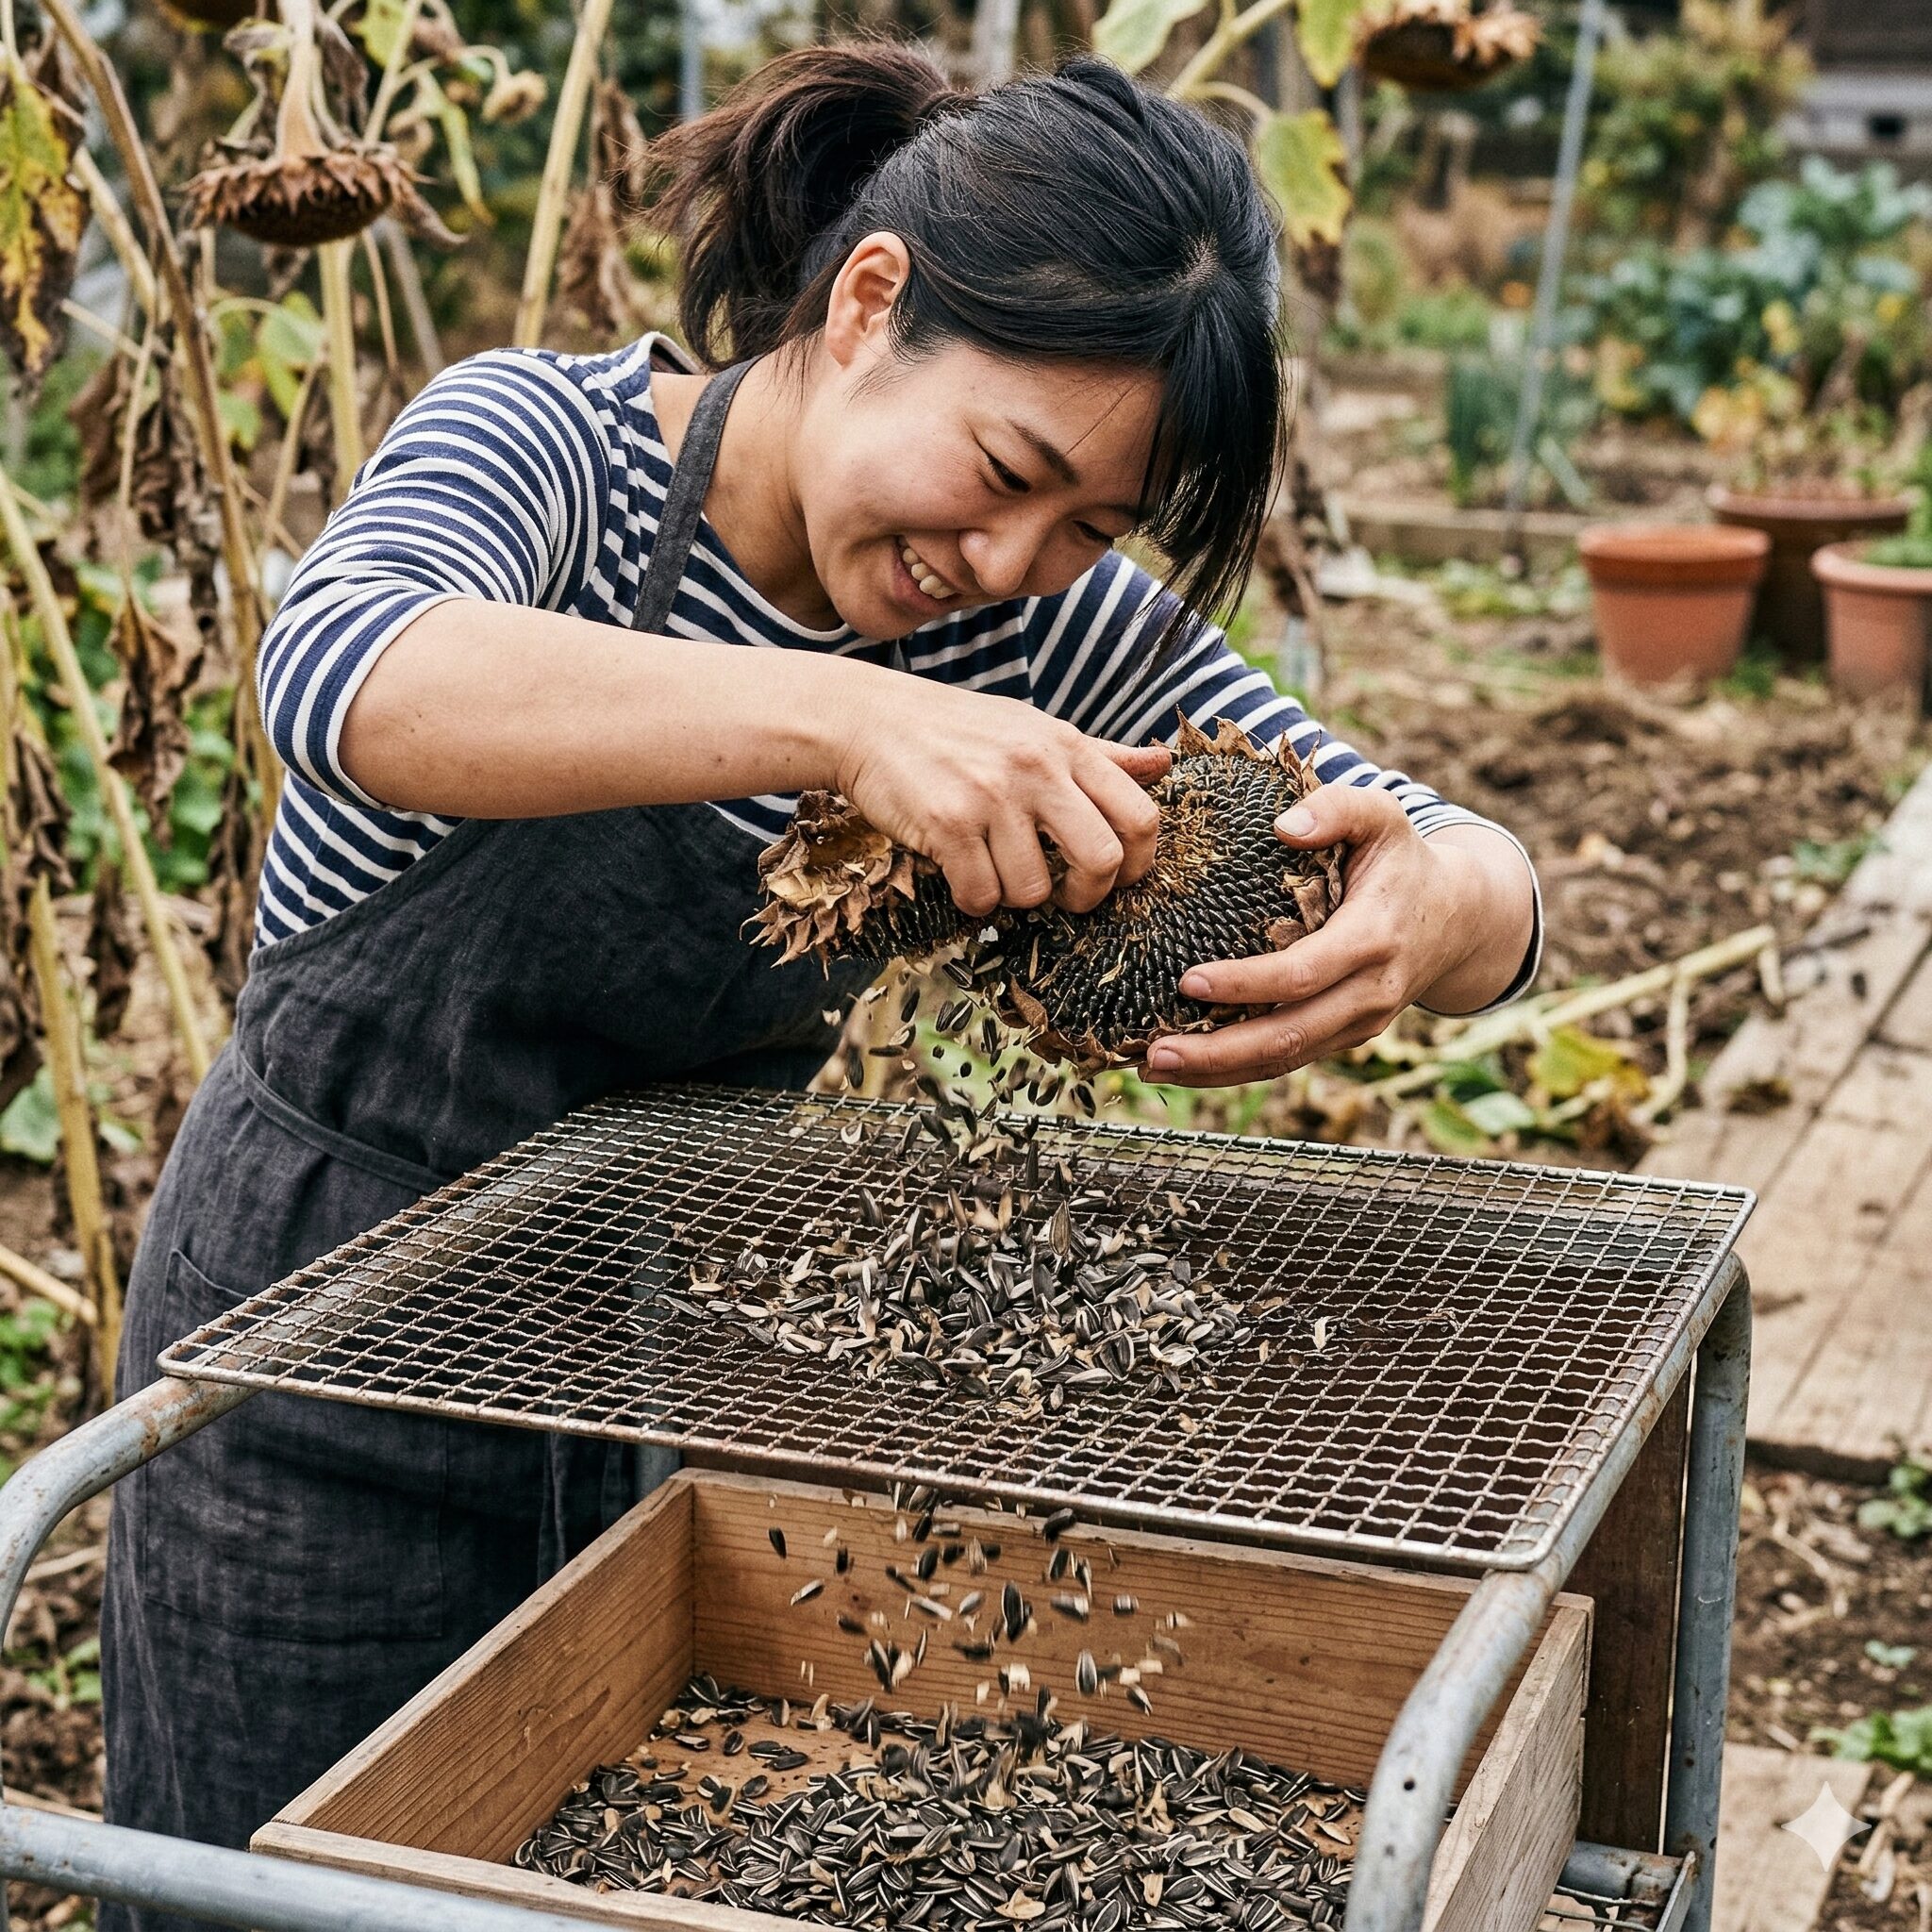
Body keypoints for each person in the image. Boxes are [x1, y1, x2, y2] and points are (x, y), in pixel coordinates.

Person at [99, 42, 1540, 1924]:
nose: (1008, 563)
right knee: (256, 1893)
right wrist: (857, 719)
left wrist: (1426, 908)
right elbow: (348, 669)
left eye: (1088, 530)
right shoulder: (548, 448)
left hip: (639, 1372)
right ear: (868, 305)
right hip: (309, 1363)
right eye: (1006, 472)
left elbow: (1477, 865)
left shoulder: (1041, 621)